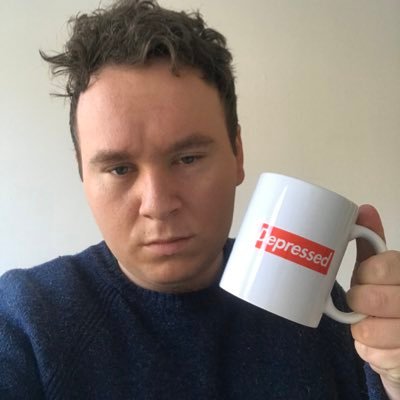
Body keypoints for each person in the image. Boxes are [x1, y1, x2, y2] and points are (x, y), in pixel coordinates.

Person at [0, 0, 399, 398]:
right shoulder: (25, 321)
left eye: (188, 159)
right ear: (81, 172)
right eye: (119, 169)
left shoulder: (317, 302)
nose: (158, 205)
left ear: (237, 154)